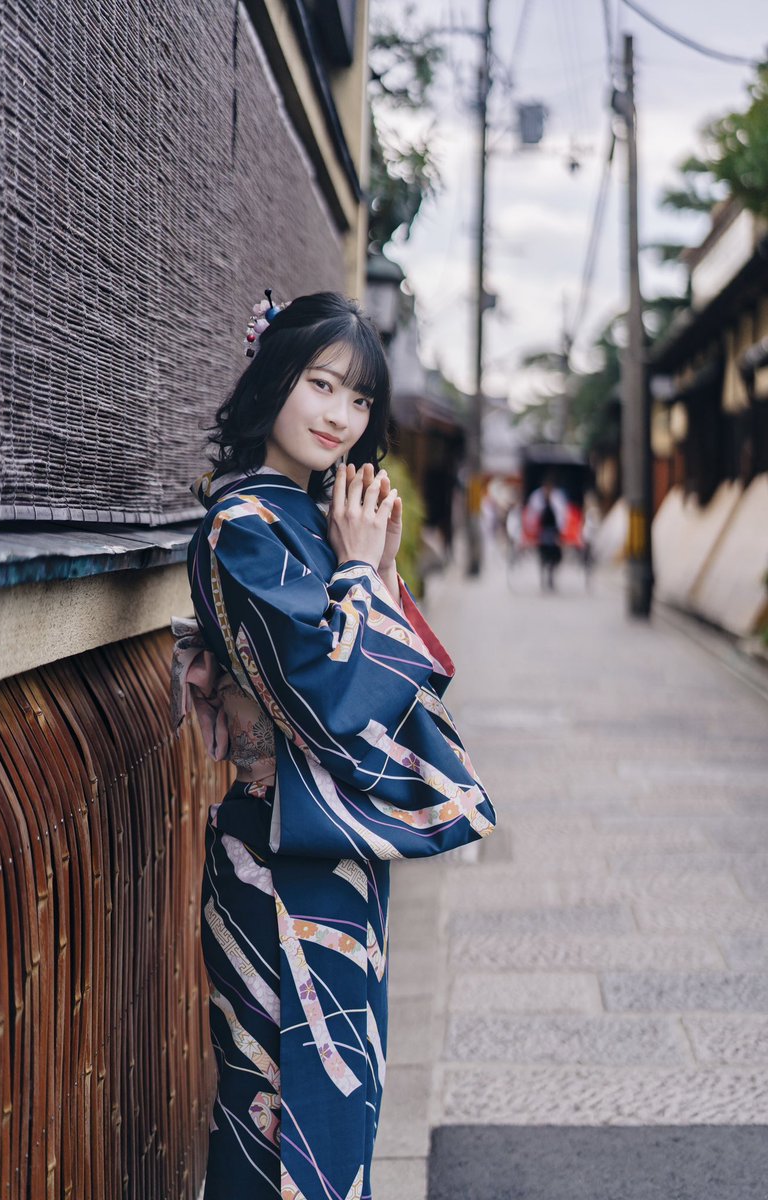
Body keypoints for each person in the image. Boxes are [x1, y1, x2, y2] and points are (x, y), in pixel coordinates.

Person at [172, 291, 496, 1200]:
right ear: (273, 378)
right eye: (319, 384)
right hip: (275, 854)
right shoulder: (244, 528)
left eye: (358, 400)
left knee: (338, 1108)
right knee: (274, 1116)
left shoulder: (307, 522)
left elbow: (398, 688)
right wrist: (359, 573)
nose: (338, 416)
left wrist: (374, 569)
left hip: (333, 856)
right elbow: (332, 702)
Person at [524, 475, 568, 592]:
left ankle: (551, 576)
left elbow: (562, 515)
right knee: (543, 555)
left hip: (554, 531)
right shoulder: (536, 497)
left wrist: (561, 532)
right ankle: (544, 575)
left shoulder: (557, 497)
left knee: (556, 557)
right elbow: (532, 514)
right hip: (541, 531)